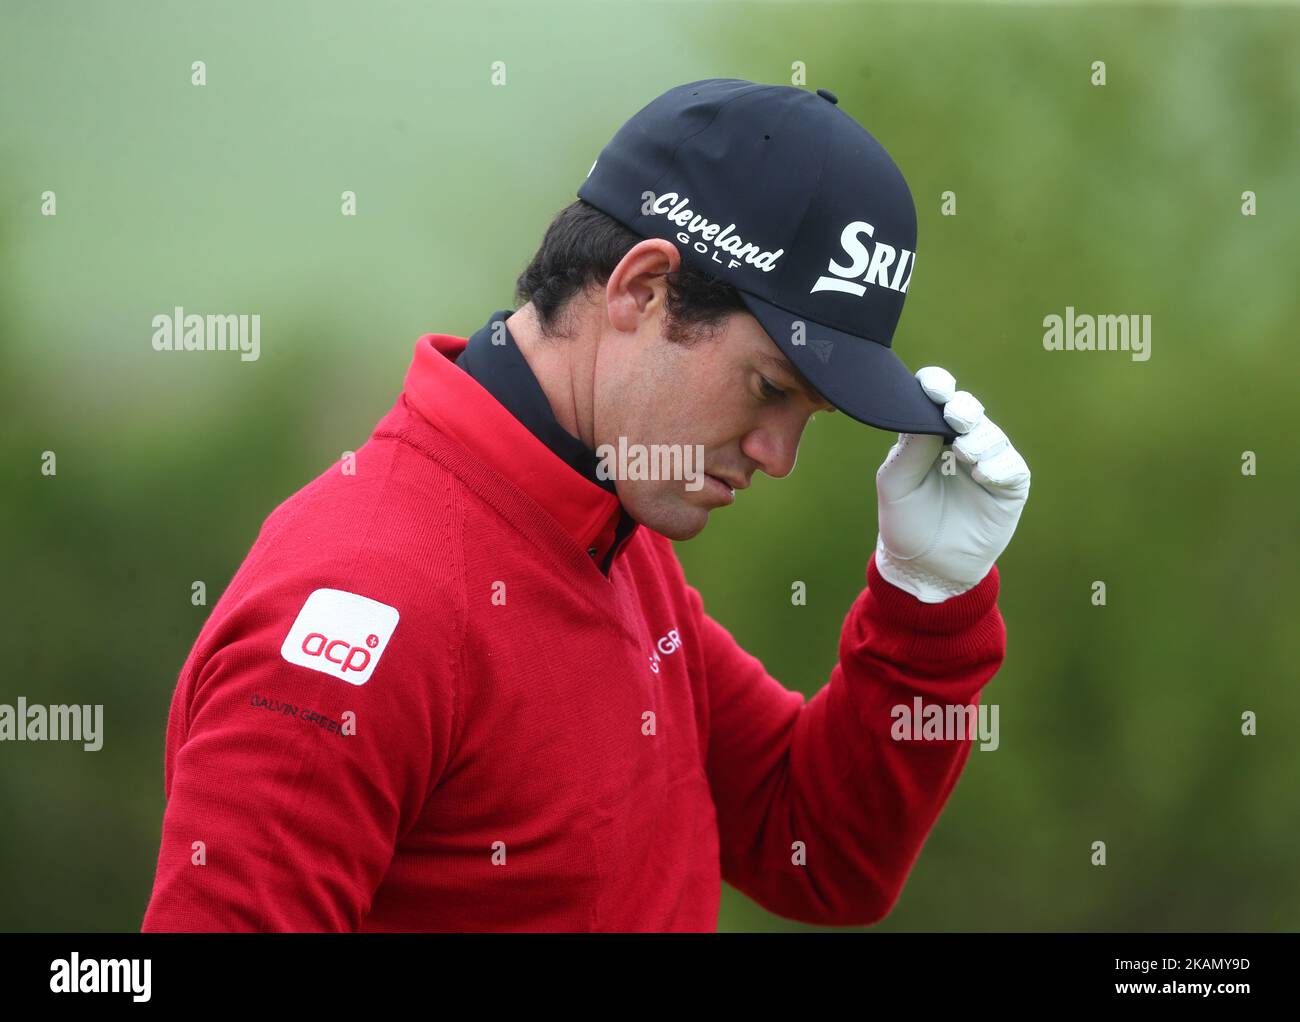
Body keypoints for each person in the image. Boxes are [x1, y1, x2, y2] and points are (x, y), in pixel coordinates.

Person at [141, 78, 1030, 932]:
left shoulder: (606, 528)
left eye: (811, 415)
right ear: (641, 289)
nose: (779, 456)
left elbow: (817, 852)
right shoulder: (372, 599)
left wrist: (927, 603)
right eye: (768, 389)